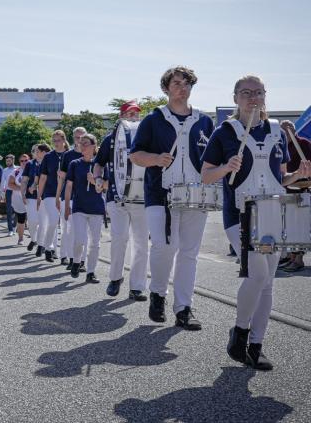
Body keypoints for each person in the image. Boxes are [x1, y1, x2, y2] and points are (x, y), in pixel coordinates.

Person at [201, 75, 310, 370]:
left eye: (258, 92)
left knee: (268, 283)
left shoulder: (276, 131)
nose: (253, 97)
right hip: (240, 216)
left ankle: (256, 345)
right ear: (235, 97)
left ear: (265, 96)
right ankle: (239, 332)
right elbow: (206, 175)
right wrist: (226, 167)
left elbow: (281, 178)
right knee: (257, 276)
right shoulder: (225, 132)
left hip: (274, 214)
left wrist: (298, 175)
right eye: (246, 93)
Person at [130, 66, 214, 330]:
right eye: (176, 83)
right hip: (160, 193)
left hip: (195, 194)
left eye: (187, 84)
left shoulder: (204, 121)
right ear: (166, 88)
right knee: (164, 247)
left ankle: (183, 308)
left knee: (189, 253)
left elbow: (212, 159)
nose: (182, 88)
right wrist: (155, 159)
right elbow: (135, 155)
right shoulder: (153, 120)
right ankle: (157, 294)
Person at [93, 100, 149, 301]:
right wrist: (98, 179)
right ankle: (116, 278)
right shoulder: (111, 139)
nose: (133, 117)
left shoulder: (146, 138)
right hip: (116, 197)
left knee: (142, 243)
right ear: (121, 116)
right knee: (119, 238)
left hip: (142, 198)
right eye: (130, 113)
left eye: (136, 114)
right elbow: (98, 165)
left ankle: (137, 287)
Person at [65, 133, 107, 282]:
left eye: (86, 143)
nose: (82, 146)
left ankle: (91, 272)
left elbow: (103, 188)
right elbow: (69, 186)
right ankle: (76, 262)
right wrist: (66, 206)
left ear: (94, 146)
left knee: (95, 243)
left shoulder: (101, 165)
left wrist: (94, 180)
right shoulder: (74, 164)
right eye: (81, 143)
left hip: (96, 208)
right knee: (79, 240)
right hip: (79, 207)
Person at [277, 120, 311, 272]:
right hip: (287, 188)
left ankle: (298, 259)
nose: (284, 133)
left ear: (293, 129)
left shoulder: (304, 144)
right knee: (287, 226)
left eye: (287, 129)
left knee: (299, 226)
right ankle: (291, 257)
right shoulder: (281, 145)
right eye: (282, 130)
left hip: (302, 188)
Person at [36, 130, 70, 262]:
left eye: (58, 140)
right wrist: (39, 196)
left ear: (63, 139)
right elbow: (43, 177)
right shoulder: (48, 157)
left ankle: (64, 255)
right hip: (50, 193)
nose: (56, 143)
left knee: (66, 225)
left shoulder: (70, 155)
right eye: (54, 140)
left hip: (66, 194)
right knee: (54, 219)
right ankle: (48, 247)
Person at [56, 127, 85, 265]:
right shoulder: (67, 155)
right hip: (68, 197)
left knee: (83, 232)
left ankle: (79, 260)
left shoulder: (90, 153)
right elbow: (61, 177)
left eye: (81, 137)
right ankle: (66, 256)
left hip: (85, 197)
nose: (79, 140)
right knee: (67, 229)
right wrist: (57, 197)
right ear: (73, 138)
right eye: (76, 137)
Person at [22, 143, 49, 252]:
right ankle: (34, 239)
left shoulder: (48, 163)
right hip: (31, 197)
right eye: (35, 151)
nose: (36, 153)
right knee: (32, 221)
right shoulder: (30, 164)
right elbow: (24, 180)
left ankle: (41, 245)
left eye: (38, 151)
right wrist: (22, 194)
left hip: (45, 197)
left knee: (43, 223)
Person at [7, 154, 31, 245]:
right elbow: (10, 184)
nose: (24, 162)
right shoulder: (16, 172)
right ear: (19, 162)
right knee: (21, 219)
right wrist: (21, 189)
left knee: (33, 219)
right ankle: (20, 238)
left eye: (26, 160)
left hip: (31, 198)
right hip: (18, 199)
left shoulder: (34, 169)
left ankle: (34, 238)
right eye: (22, 161)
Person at [1, 154, 18, 236]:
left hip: (16, 191)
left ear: (13, 160)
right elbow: (2, 182)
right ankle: (10, 229)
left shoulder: (17, 169)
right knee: (8, 210)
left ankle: (14, 226)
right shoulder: (5, 170)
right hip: (8, 191)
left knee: (17, 209)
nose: (7, 162)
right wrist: (1, 193)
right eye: (6, 161)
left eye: (9, 161)